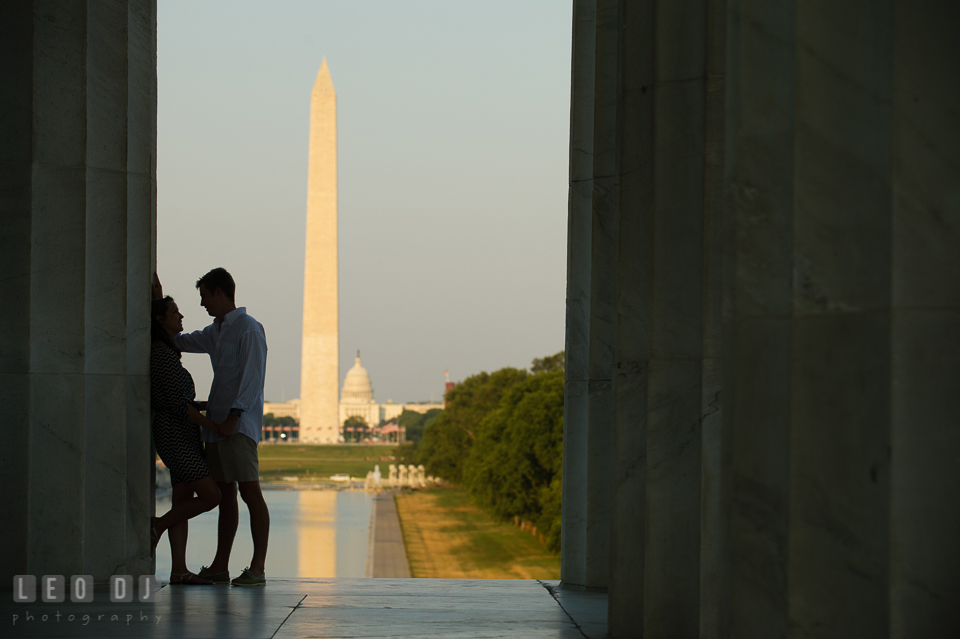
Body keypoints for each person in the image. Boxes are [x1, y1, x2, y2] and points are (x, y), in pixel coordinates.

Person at [159, 268, 270, 587]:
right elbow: (177, 340)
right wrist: (157, 303)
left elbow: (253, 378)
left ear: (220, 293)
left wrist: (234, 416)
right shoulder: (217, 330)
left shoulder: (248, 329)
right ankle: (221, 564)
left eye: (205, 297)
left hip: (236, 426)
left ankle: (258, 567)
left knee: (250, 492)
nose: (202, 304)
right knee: (227, 495)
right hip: (218, 427)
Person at [149, 295, 225, 585]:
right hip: (175, 435)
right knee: (211, 496)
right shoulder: (162, 355)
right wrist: (214, 425)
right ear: (160, 320)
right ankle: (156, 526)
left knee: (183, 499)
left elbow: (181, 400)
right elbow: (180, 406)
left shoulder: (166, 353)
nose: (181, 317)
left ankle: (179, 570)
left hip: (182, 434)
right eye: (174, 313)